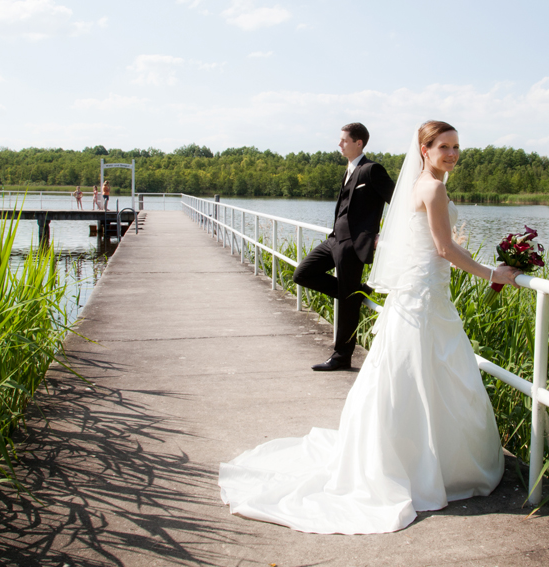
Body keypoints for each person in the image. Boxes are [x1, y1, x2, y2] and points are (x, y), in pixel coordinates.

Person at [218, 121, 522, 535]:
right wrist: (492, 274)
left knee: (412, 373)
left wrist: (491, 268)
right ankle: (422, 464)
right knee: (422, 370)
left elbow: (441, 243)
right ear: (424, 148)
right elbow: (444, 248)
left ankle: (413, 457)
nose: (452, 154)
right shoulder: (432, 188)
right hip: (422, 296)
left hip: (423, 292)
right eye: (443, 147)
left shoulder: (425, 184)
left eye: (455, 147)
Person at [292, 122, 395, 371]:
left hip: (354, 245)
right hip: (334, 239)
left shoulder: (372, 170)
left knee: (347, 302)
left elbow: (397, 202)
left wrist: (380, 234)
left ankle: (341, 357)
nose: (339, 144)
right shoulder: (349, 169)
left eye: (344, 140)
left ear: (358, 143)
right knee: (302, 274)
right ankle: (355, 294)